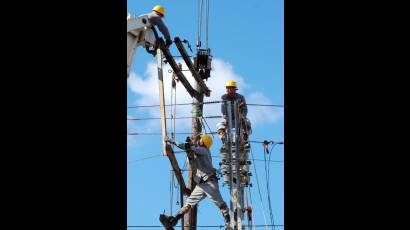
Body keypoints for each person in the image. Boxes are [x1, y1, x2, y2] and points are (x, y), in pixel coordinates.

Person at [160, 134, 230, 230]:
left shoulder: (203, 150)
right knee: (188, 204)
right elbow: (191, 149)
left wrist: (171, 141)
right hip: (202, 184)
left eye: (200, 139)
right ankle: (172, 221)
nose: (199, 140)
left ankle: (228, 224)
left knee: (221, 204)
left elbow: (187, 147)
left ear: (202, 142)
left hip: (210, 183)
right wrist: (191, 143)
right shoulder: (201, 150)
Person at [216, 80, 252, 150]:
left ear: (235, 89)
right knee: (220, 125)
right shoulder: (224, 97)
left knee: (247, 122)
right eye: (228, 88)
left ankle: (245, 139)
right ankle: (224, 140)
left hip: (239, 118)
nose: (229, 90)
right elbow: (223, 110)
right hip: (228, 118)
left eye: (231, 88)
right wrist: (226, 117)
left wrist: (242, 116)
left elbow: (245, 110)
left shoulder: (241, 97)